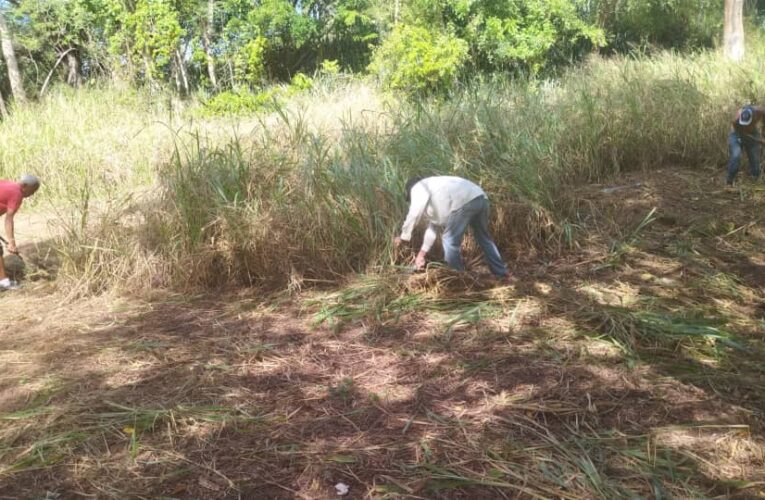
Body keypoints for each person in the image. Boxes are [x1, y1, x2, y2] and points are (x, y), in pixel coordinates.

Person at [393, 175, 510, 280]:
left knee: (449, 240)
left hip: (464, 201)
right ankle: (501, 273)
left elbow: (414, 213)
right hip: (481, 198)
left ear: (410, 191)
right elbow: (432, 230)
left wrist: (403, 237)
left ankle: (459, 278)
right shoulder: (435, 191)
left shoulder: (419, 187)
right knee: (484, 238)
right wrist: (421, 255)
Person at [0, 174, 40, 290]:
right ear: (25, 186)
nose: (32, 194)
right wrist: (11, 242)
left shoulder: (8, 184)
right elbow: (9, 219)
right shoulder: (17, 194)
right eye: (33, 190)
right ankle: (3, 282)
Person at [727, 105, 765, 186]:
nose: (746, 125)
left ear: (754, 116)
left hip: (752, 133)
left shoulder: (760, 111)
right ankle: (729, 182)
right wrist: (759, 140)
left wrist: (761, 137)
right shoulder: (737, 118)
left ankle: (756, 181)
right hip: (737, 134)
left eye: (747, 123)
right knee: (736, 156)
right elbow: (735, 128)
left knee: (755, 159)